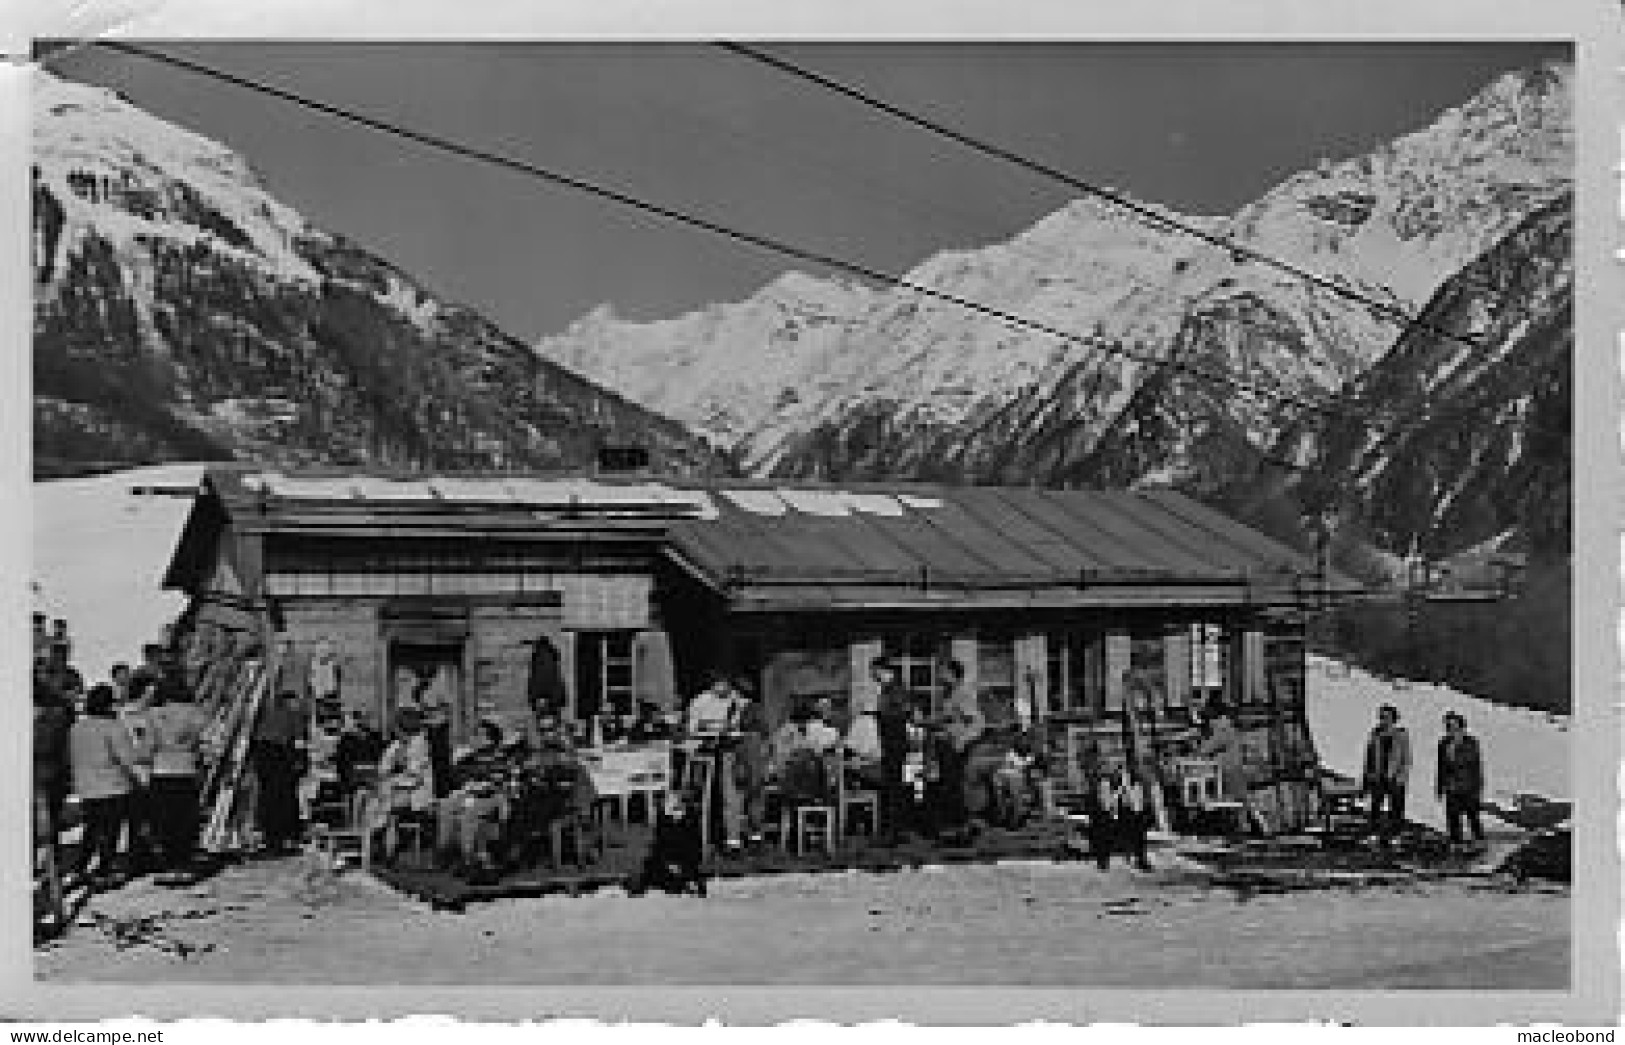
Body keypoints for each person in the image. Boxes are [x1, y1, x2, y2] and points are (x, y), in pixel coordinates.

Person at [69, 685, 144, 887]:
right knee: (111, 831)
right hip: (112, 786)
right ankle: (104, 871)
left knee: (91, 829)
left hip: (86, 787)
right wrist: (139, 778)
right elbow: (127, 758)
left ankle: (79, 869)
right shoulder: (113, 727)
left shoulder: (77, 728)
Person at [144, 678, 208, 879]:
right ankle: (184, 861)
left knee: (164, 819)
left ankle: (168, 862)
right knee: (185, 818)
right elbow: (206, 742)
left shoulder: (154, 714)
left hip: (161, 769)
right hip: (187, 768)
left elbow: (148, 745)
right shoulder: (196, 714)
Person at [435, 719, 513, 876]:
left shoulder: (499, 757)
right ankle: (445, 850)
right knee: (446, 805)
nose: (474, 738)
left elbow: (500, 782)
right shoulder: (470, 758)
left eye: (478, 735)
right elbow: (457, 776)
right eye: (474, 734)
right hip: (470, 793)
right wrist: (467, 783)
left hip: (493, 796)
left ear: (490, 740)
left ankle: (468, 858)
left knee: (469, 813)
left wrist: (481, 784)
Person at [375, 706, 437, 864]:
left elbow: (414, 777)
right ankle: (378, 843)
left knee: (386, 806)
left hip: (418, 793)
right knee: (371, 799)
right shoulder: (397, 744)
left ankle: (381, 845)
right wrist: (392, 768)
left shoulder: (420, 745)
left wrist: (393, 778)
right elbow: (383, 768)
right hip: (400, 789)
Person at [252, 688, 308, 855]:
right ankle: (284, 837)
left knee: (268, 796)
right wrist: (301, 761)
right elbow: (299, 741)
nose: (299, 704)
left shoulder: (269, 715)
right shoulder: (294, 716)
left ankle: (270, 837)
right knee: (284, 796)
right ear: (289, 702)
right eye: (296, 701)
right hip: (278, 754)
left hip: (262, 755)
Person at [872, 658, 913, 844]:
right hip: (890, 742)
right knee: (891, 786)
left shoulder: (896, 689)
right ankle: (892, 829)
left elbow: (900, 712)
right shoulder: (888, 689)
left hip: (895, 742)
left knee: (894, 786)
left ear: (884, 670)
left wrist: (881, 716)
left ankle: (896, 830)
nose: (873, 675)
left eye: (875, 671)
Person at [33, 673, 76, 843]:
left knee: (47, 821)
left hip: (48, 772)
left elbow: (52, 745)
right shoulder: (58, 713)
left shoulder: (55, 715)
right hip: (50, 772)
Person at [1087, 764, 1154, 872]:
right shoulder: (1105, 784)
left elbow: (1137, 807)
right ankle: (1103, 860)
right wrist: (1118, 792)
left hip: (1125, 819)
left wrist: (1127, 789)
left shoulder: (1135, 786)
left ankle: (1140, 859)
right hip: (1108, 818)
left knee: (1139, 822)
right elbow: (1106, 806)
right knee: (1103, 823)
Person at [1361, 703, 1411, 845]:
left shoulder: (1401, 735)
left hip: (1394, 777)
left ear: (1394, 719)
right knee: (1375, 806)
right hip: (1378, 776)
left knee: (1396, 808)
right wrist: (1368, 774)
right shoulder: (1375, 734)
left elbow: (1406, 759)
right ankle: (1375, 833)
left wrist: (1401, 777)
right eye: (1382, 717)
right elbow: (1369, 756)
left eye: (1387, 717)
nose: (1384, 720)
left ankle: (1395, 834)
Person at [1436, 711, 1486, 848]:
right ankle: (1456, 841)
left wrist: (1477, 788)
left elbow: (1475, 766)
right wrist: (1440, 786)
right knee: (1453, 816)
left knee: (1472, 815)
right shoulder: (1443, 744)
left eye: (1454, 726)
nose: (1451, 730)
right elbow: (1441, 766)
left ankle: (1479, 839)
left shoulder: (1470, 743)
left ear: (1461, 727)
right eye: (1448, 727)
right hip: (1451, 786)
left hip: (1468, 786)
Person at [335, 709, 386, 800]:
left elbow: (381, 760)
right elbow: (342, 767)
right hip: (353, 784)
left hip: (374, 782)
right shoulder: (346, 741)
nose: (359, 722)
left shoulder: (375, 739)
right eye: (356, 718)